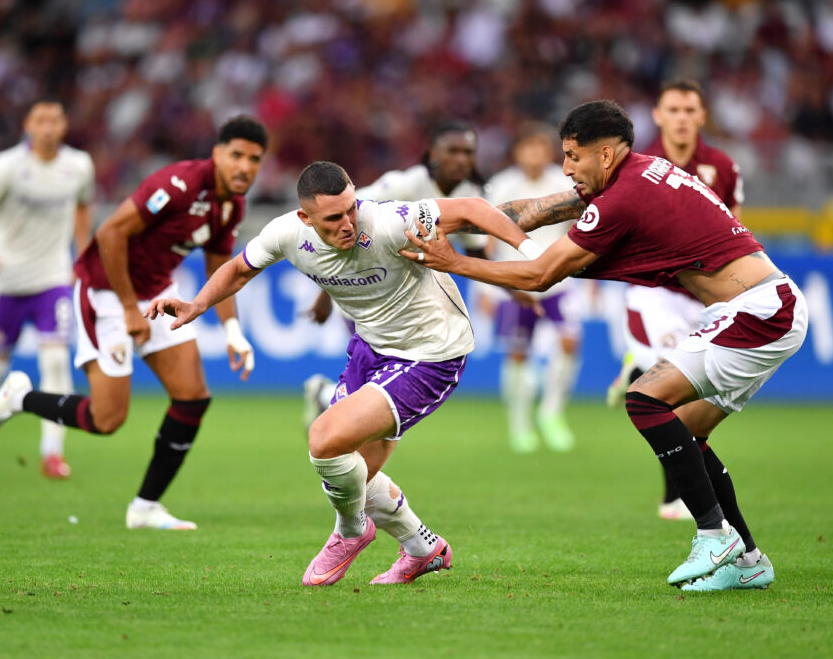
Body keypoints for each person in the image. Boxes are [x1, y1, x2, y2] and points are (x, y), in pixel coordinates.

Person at [404, 100, 808, 591]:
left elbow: (540, 275)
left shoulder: (623, 198)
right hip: (759, 308)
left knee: (644, 399)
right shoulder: (630, 178)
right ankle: (748, 561)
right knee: (685, 429)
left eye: (574, 156)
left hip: (760, 310)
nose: (566, 166)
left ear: (607, 155)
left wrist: (454, 263)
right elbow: (526, 213)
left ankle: (711, 533)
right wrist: (430, 219)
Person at [147, 161, 541, 585]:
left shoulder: (389, 221)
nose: (348, 223)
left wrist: (532, 251)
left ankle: (350, 531)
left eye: (351, 209)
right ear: (306, 218)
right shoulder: (287, 233)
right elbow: (240, 269)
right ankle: (424, 548)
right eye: (334, 218)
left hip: (430, 355)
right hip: (371, 350)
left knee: (324, 440)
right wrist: (197, 304)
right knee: (351, 476)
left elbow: (472, 208)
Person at [0, 116, 268, 530]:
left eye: (254, 159)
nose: (245, 166)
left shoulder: (230, 206)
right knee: (107, 420)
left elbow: (222, 267)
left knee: (193, 398)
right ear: (217, 154)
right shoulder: (179, 184)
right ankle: (19, 398)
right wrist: (130, 308)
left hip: (155, 292)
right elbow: (111, 233)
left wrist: (233, 332)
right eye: (236, 155)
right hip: (105, 292)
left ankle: (144, 507)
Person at [606, 79, 745, 521]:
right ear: (658, 116)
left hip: (702, 297)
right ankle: (674, 498)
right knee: (668, 394)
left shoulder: (723, 167)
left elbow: (734, 231)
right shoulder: (637, 164)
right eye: (674, 109)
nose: (682, 117)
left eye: (690, 110)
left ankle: (637, 367)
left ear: (702, 116)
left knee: (690, 395)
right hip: (655, 294)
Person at [301, 121, 492, 426]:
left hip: (404, 304)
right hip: (363, 294)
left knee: (373, 399)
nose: (461, 159)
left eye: (468, 152)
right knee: (378, 401)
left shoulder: (470, 194)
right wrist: (325, 295)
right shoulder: (402, 186)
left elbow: (478, 255)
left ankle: (325, 397)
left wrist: (519, 287)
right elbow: (339, 224)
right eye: (453, 150)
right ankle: (344, 443)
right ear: (433, 154)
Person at [0, 99, 94, 480]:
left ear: (64, 126)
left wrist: (80, 252)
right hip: (9, 282)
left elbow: (83, 206)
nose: (48, 126)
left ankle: (52, 453)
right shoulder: (7, 167)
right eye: (41, 120)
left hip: (52, 279)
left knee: (55, 364)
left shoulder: (79, 166)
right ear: (28, 126)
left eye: (55, 119)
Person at [486, 123, 582, 453]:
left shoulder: (562, 182)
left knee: (570, 343)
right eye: (528, 148)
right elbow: (486, 240)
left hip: (558, 280)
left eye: (540, 148)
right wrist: (486, 291)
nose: (535, 155)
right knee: (517, 355)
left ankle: (551, 412)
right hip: (516, 284)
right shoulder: (501, 186)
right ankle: (520, 425)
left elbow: (579, 231)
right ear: (517, 153)